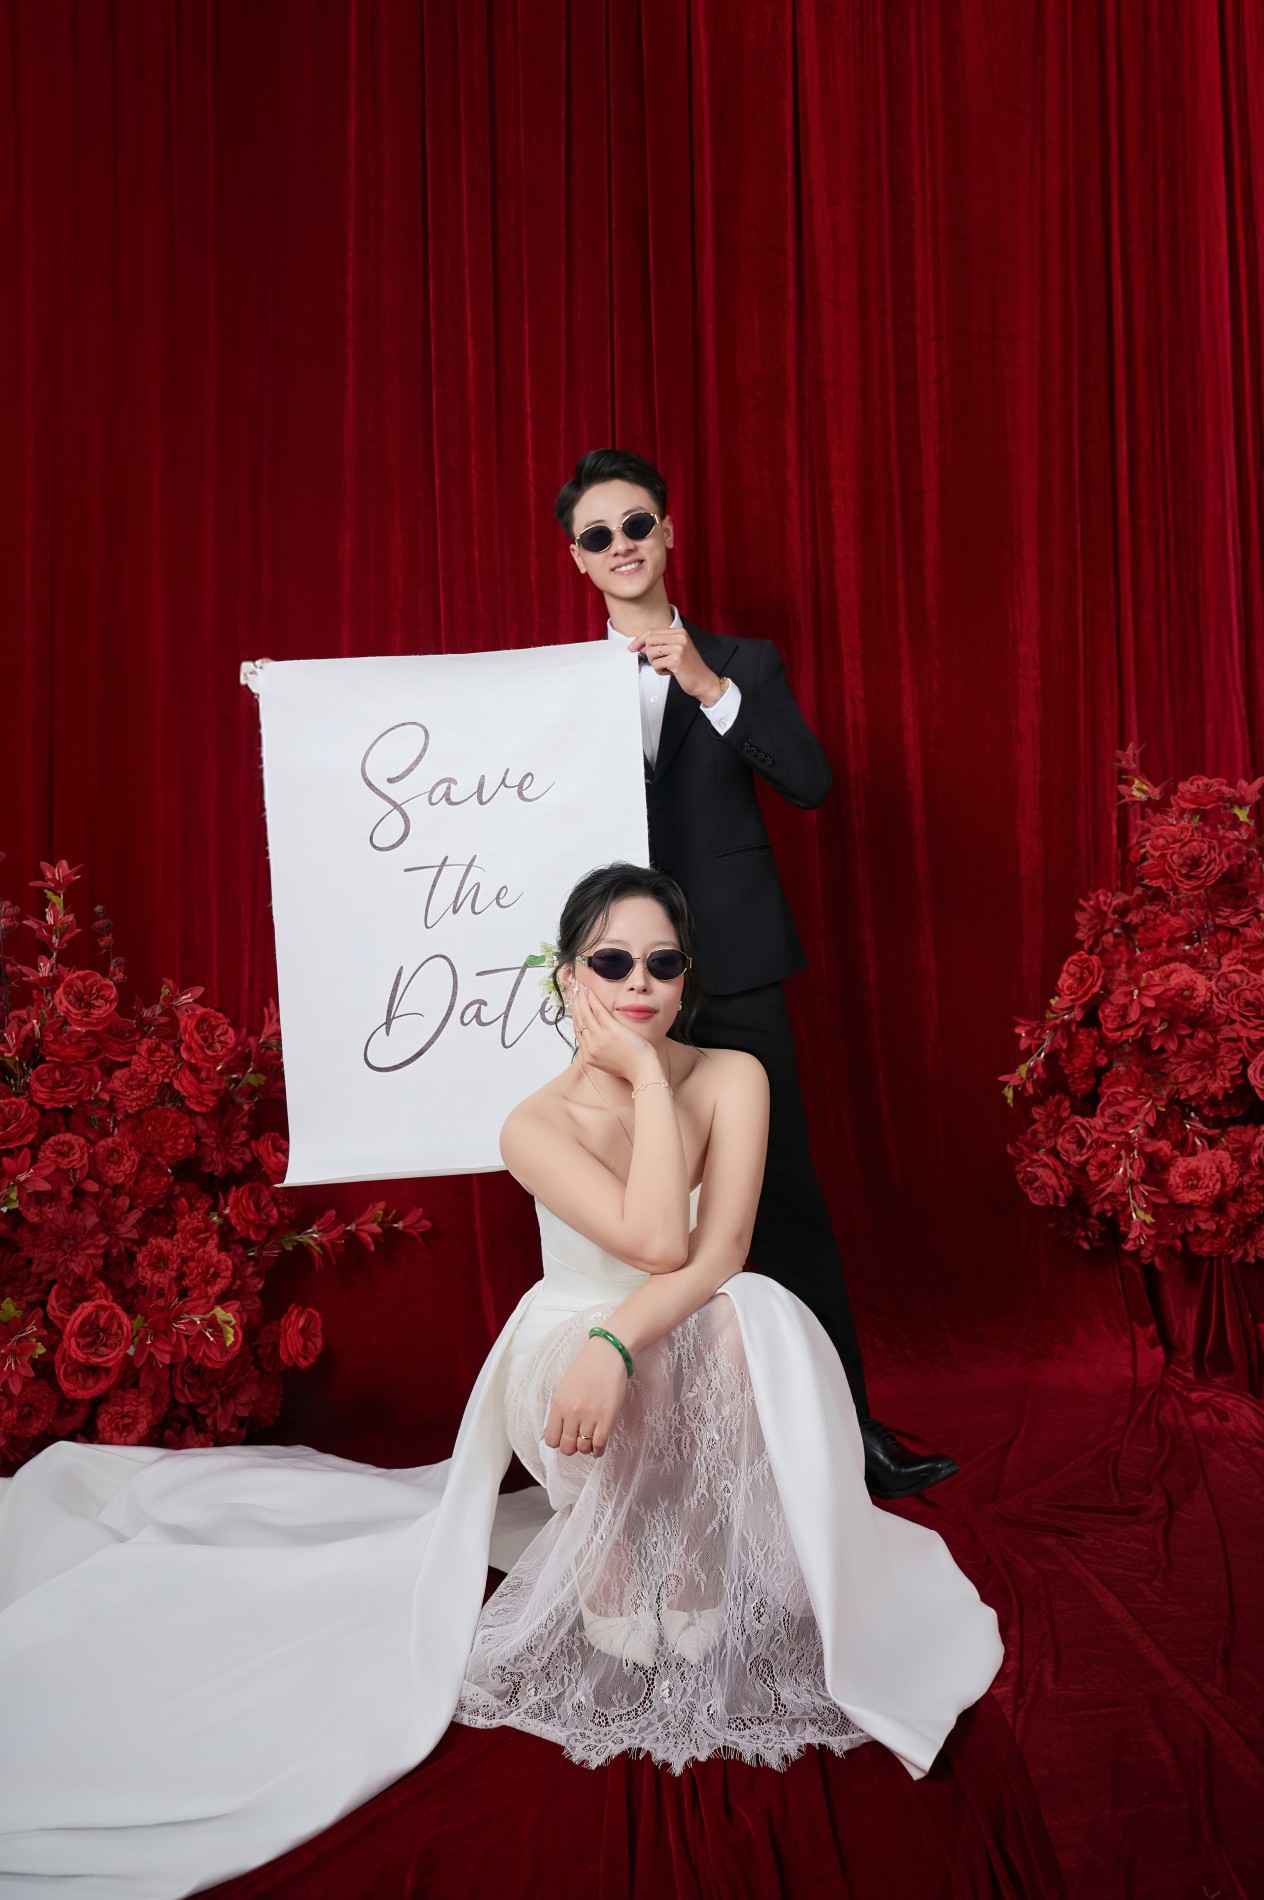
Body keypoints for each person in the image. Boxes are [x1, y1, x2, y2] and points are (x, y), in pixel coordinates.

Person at [0, 865, 1002, 1899]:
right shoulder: (532, 1122)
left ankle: (696, 1539)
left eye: (663, 963)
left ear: (686, 977)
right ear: (568, 975)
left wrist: (627, 1303)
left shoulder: (732, 1075)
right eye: (612, 961)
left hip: (666, 1330)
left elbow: (711, 1253)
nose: (639, 982)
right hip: (565, 1356)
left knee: (751, 1315)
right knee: (678, 1339)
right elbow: (656, 1240)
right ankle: (612, 1553)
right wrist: (607, 1319)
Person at [556, 449, 958, 1499]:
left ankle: (847, 1434)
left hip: (732, 970)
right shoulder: (551, 685)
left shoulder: (744, 663)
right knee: (636, 1204)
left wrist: (707, 685)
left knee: (783, 1201)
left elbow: (812, 782)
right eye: (597, 535)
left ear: (666, 532)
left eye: (635, 523)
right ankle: (678, 1458)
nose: (620, 545)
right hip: (616, 982)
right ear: (578, 560)